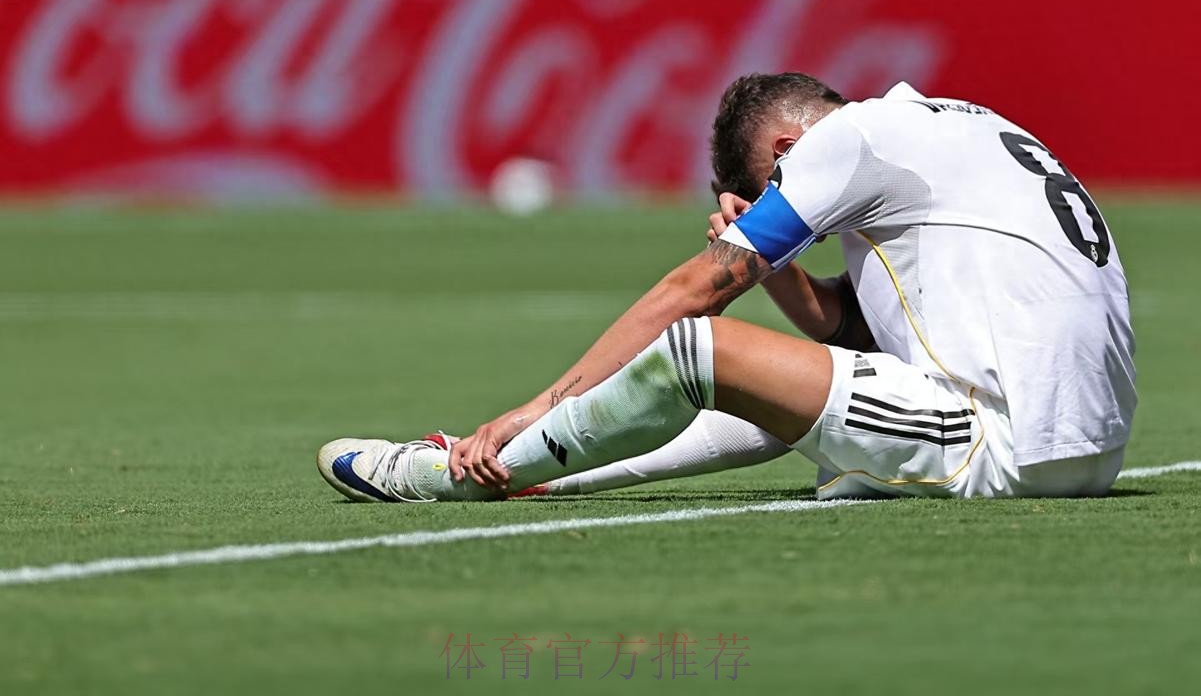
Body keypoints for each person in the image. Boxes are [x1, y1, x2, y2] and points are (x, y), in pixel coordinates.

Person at [316, 73, 1136, 503]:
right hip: (1081, 441)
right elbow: (850, 335)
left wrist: (536, 406)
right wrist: (776, 266)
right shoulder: (950, 123)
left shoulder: (845, 142)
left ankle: (466, 470)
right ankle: (541, 471)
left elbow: (693, 293)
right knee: (765, 390)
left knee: (696, 350)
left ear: (785, 151)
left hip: (1006, 444)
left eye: (774, 192)